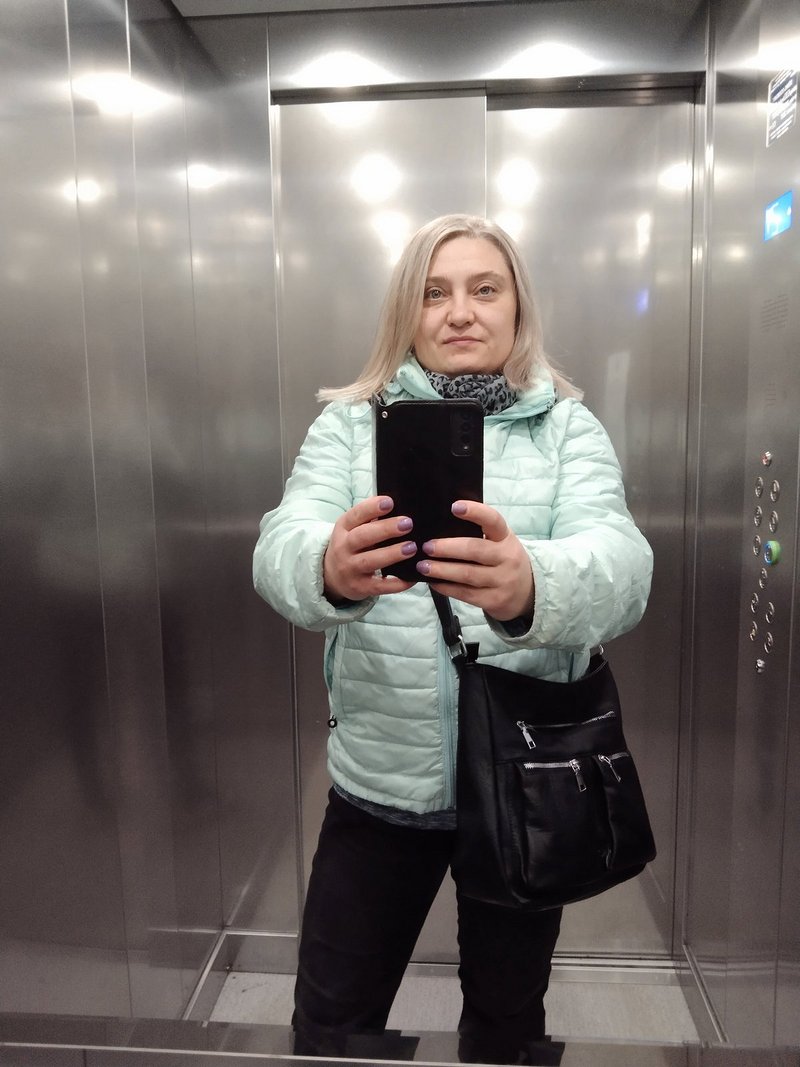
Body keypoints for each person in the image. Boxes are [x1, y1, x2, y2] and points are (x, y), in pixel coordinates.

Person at [253, 214, 653, 1063]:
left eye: (484, 289)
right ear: (408, 310)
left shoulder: (566, 429)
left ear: (516, 308)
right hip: (379, 780)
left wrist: (533, 583)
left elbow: (624, 565)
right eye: (434, 292)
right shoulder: (350, 426)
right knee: (330, 1024)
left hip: (521, 781)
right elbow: (278, 544)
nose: (460, 311)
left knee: (506, 1029)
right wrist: (327, 564)